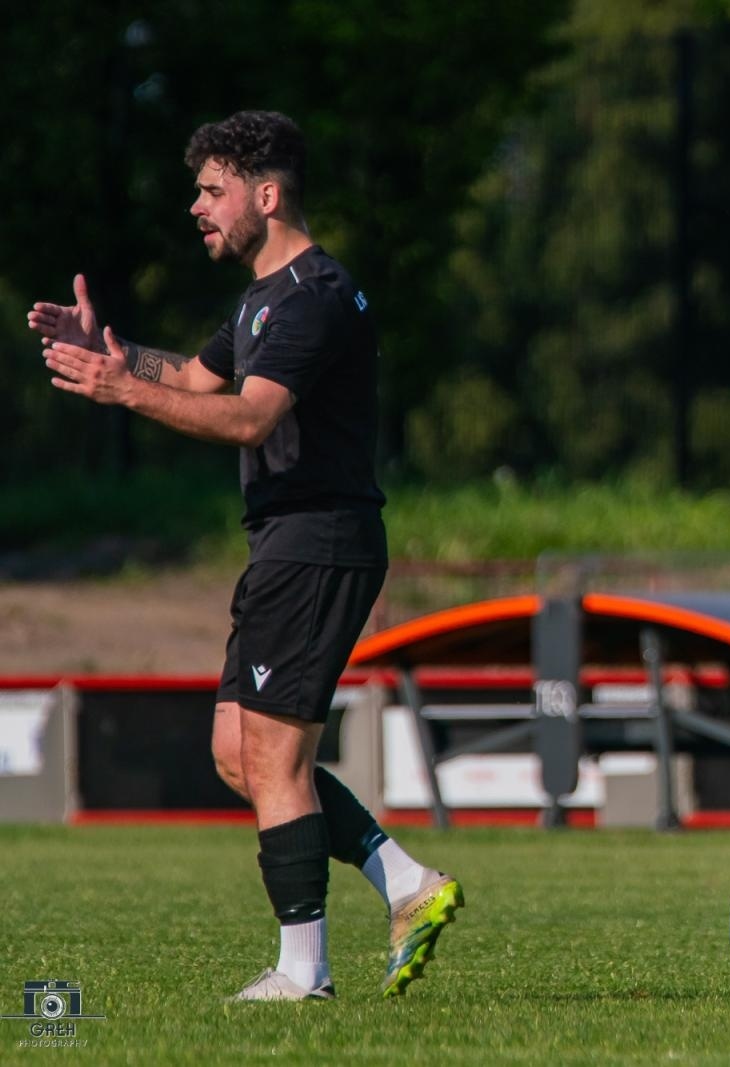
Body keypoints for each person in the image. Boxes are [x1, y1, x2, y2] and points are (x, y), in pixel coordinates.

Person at [28, 110, 464, 999]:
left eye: (212, 190)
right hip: (284, 546)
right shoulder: (261, 301)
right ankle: (407, 883)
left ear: (266, 195)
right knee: (239, 750)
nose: (197, 206)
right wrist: (110, 354)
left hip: (319, 542)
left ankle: (303, 973)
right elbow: (193, 380)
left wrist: (119, 394)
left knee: (274, 758)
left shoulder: (314, 296)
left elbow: (250, 416)